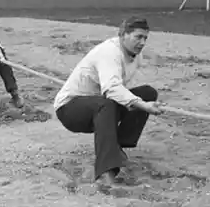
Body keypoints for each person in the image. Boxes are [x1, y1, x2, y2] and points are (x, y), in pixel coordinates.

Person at [53, 17, 162, 186]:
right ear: (123, 35)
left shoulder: (136, 55)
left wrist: (142, 102)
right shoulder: (109, 52)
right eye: (138, 37)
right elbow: (111, 89)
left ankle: (117, 147)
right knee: (108, 103)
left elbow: (119, 89)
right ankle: (106, 173)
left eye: (145, 38)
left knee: (147, 93)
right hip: (70, 109)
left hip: (99, 106)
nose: (142, 43)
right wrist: (142, 105)